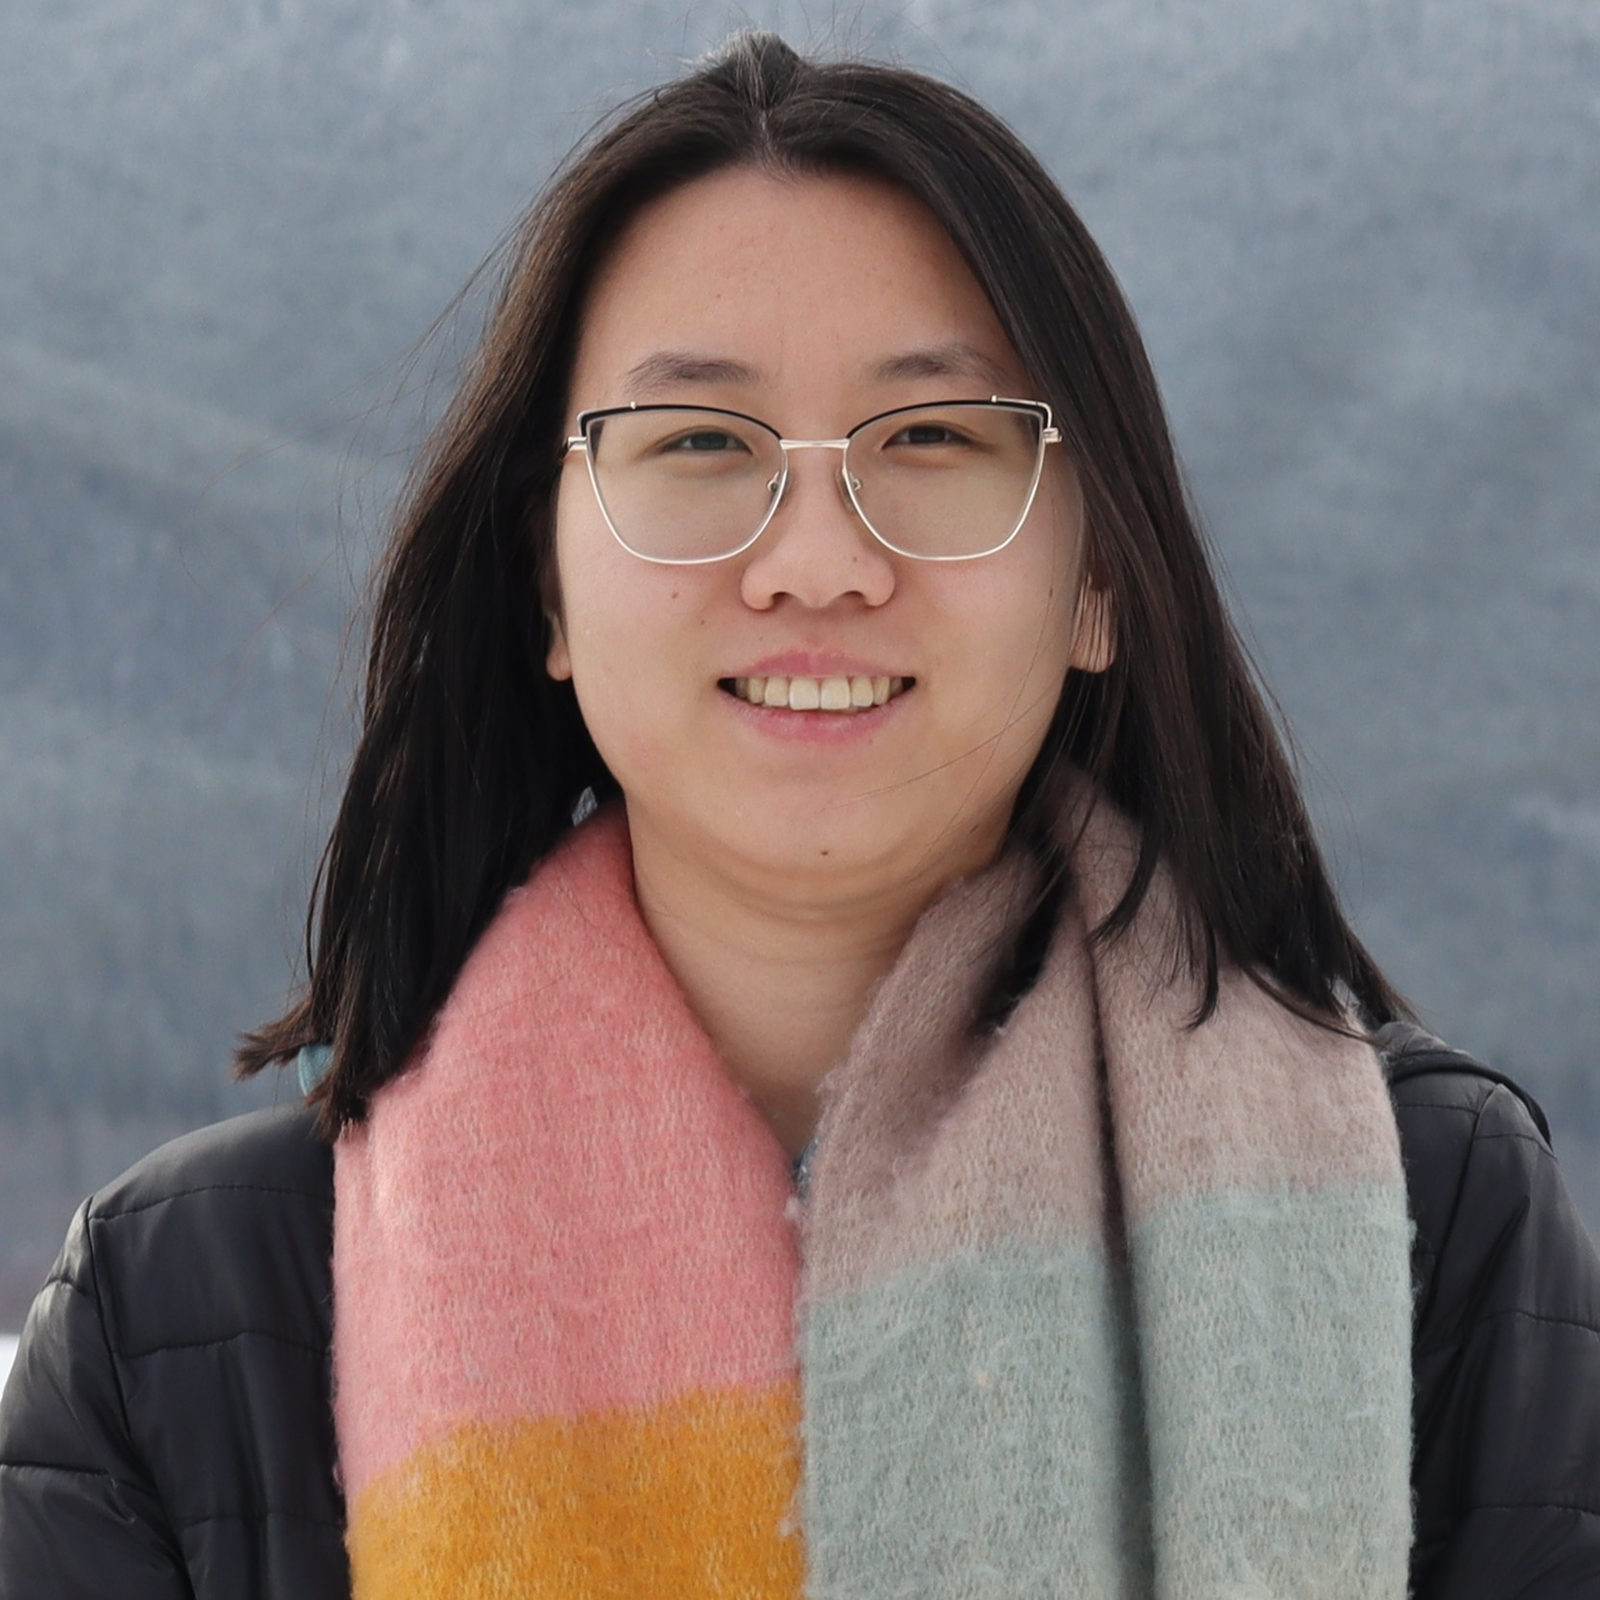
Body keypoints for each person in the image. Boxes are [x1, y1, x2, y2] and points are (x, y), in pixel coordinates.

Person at [2, 31, 1597, 1600]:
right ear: (546, 586)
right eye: (700, 441)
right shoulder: (180, 1321)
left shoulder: (1426, 1222)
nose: (817, 562)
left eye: (934, 439)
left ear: (1099, 578)